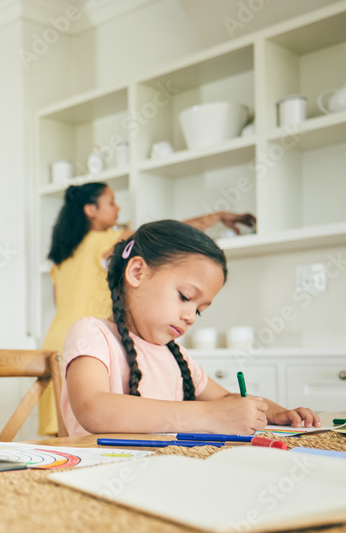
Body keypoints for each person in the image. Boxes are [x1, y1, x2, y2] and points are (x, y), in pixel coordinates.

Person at [60, 220, 318, 435]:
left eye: (199, 311)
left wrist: (274, 412)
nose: (191, 317)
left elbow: (226, 400)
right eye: (184, 296)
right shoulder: (93, 334)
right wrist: (208, 416)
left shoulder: (176, 356)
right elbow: (94, 409)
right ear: (137, 272)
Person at [37, 182, 256, 436]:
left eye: (198, 310)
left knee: (59, 435)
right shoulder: (104, 241)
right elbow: (165, 240)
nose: (117, 207)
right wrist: (215, 216)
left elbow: (58, 303)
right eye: (111, 202)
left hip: (59, 337)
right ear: (90, 210)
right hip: (95, 340)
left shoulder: (61, 260)